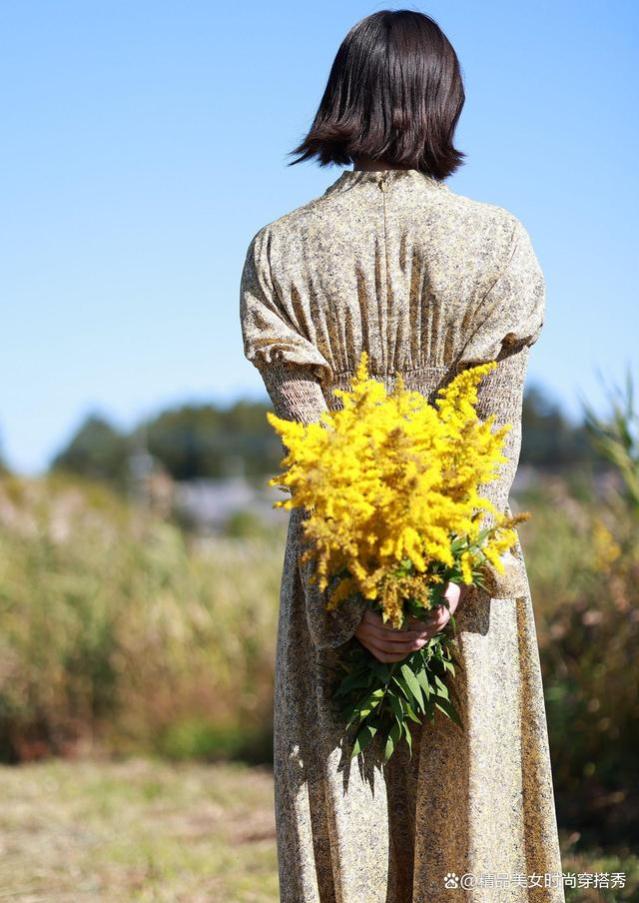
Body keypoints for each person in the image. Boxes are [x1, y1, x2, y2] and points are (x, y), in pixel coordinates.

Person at [239, 9, 564, 902]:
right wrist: (444, 580)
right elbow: (491, 439)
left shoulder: (278, 251)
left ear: (342, 100)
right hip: (467, 585)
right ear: (442, 102)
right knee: (475, 835)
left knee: (345, 834)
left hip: (334, 591)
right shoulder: (498, 241)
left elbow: (313, 453)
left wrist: (359, 603)